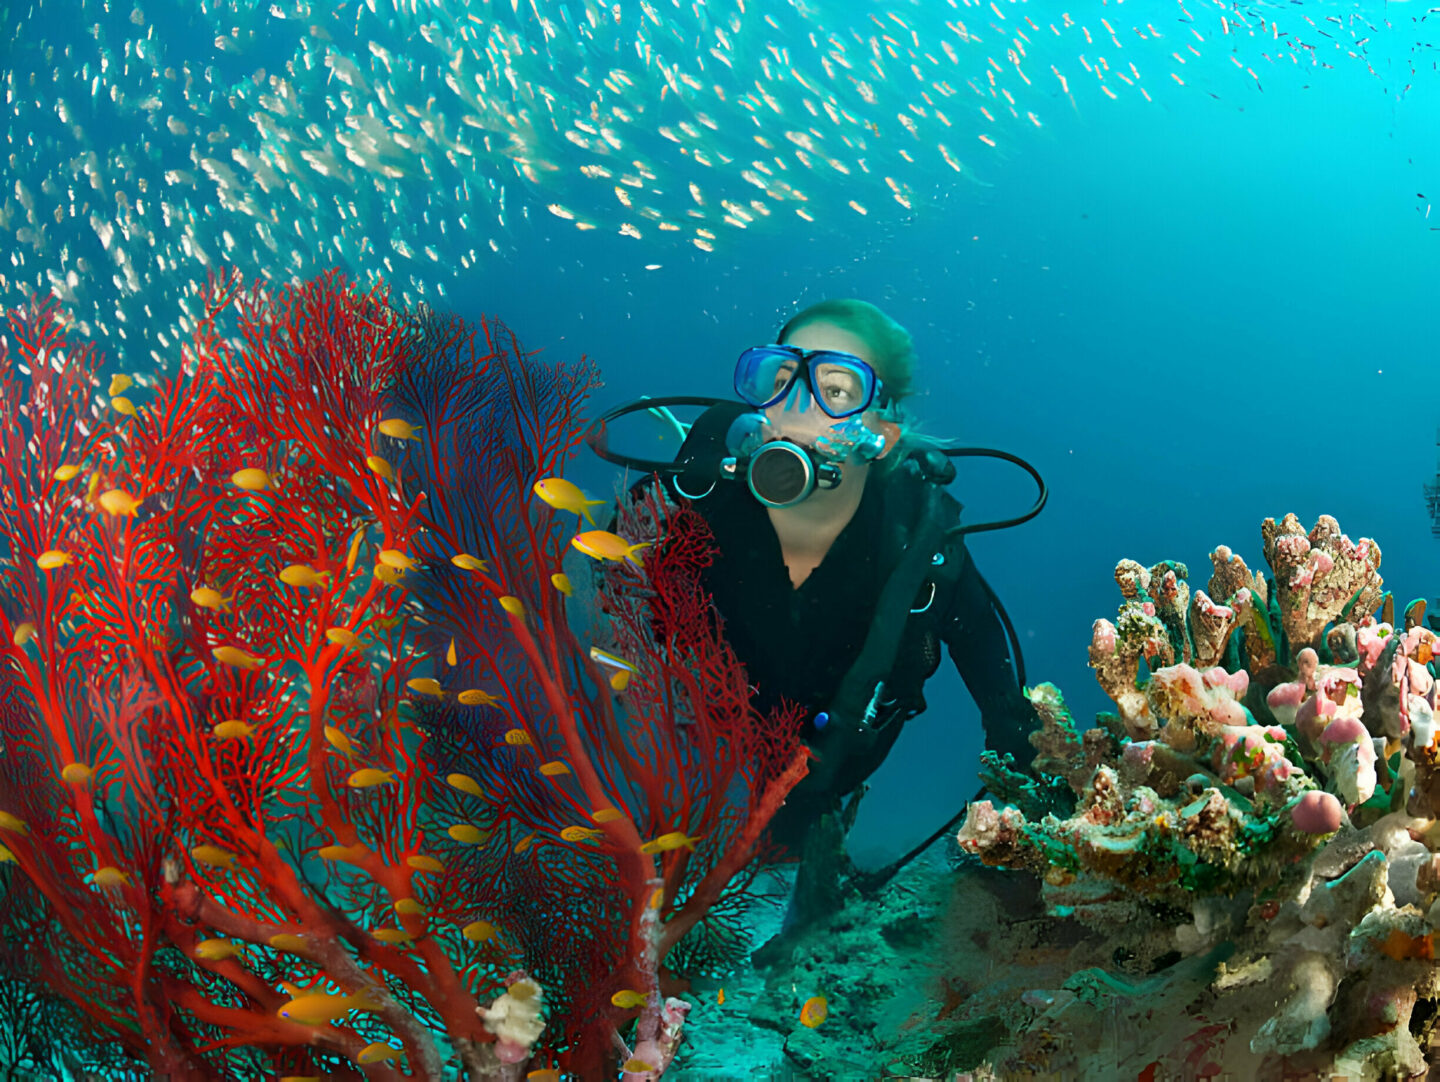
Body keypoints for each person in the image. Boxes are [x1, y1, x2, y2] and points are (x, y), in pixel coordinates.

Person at [624, 299, 1041, 855]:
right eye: (780, 377)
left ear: (881, 434)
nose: (796, 406)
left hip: (826, 767)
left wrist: (1019, 830)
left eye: (836, 390)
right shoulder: (691, 499)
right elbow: (598, 615)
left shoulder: (919, 547)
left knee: (795, 846)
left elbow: (1008, 713)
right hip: (684, 755)